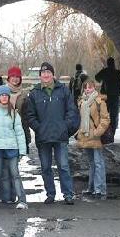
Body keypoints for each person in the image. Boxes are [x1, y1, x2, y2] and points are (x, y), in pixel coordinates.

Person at [26, 62, 80, 205]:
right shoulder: (34, 93)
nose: (46, 75)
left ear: (53, 74)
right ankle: (50, 194)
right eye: (43, 73)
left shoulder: (63, 90)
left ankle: (68, 194)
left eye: (48, 72)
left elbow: (71, 110)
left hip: (60, 136)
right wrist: (39, 128)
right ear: (40, 76)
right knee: (45, 167)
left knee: (63, 166)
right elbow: (30, 116)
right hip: (43, 137)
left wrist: (65, 126)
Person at [0, 66, 31, 203]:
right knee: (3, 168)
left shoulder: (24, 95)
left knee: (14, 167)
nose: (15, 79)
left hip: (18, 133)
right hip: (2, 133)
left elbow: (27, 116)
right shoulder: (1, 92)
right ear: (9, 78)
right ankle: (6, 196)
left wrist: (27, 137)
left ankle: (16, 195)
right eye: (13, 76)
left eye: (18, 77)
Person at [75, 78, 110, 200]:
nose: (88, 89)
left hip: (95, 136)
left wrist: (97, 132)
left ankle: (100, 189)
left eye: (90, 87)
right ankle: (91, 187)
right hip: (86, 136)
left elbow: (105, 119)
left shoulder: (100, 101)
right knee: (92, 163)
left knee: (98, 162)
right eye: (86, 87)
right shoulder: (82, 101)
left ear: (94, 87)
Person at [95, 57, 120, 133]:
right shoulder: (117, 72)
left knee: (104, 115)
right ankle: (112, 132)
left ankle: (105, 132)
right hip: (115, 97)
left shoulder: (104, 71)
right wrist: (117, 91)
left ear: (107, 63)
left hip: (106, 97)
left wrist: (102, 78)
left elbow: (97, 77)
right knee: (113, 115)